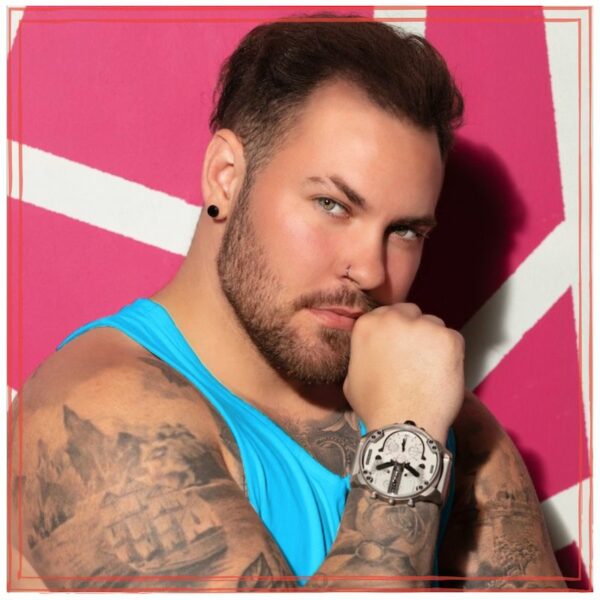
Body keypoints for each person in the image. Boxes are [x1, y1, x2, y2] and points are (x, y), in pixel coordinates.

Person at [10, 15, 565, 591]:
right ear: (226, 176)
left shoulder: (429, 402)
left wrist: (416, 422)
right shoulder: (96, 420)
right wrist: (408, 438)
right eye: (332, 205)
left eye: (404, 231)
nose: (371, 269)